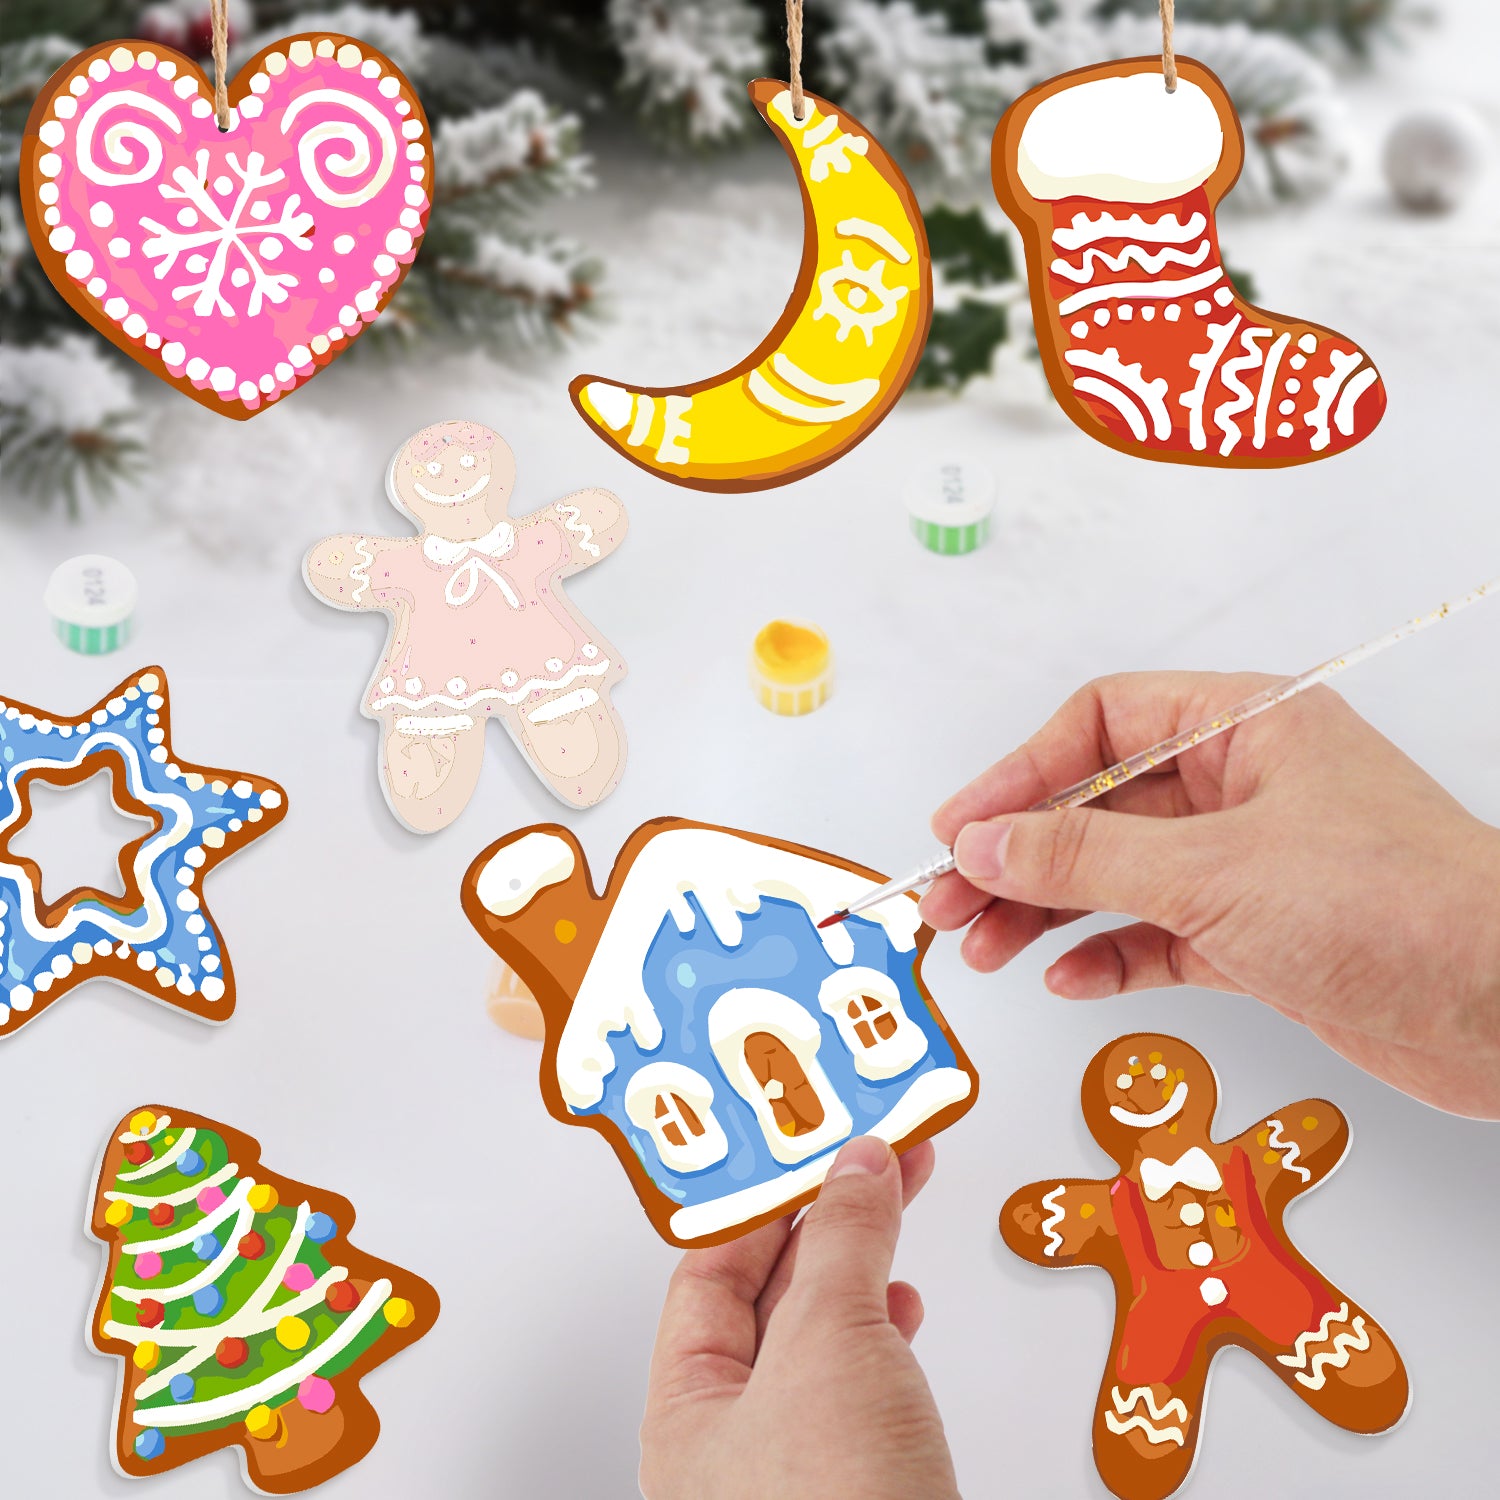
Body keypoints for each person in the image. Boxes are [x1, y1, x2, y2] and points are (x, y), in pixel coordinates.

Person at [639, 673, 1500, 1498]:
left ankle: (1324, 1354)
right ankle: (1152, 1410)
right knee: (1155, 1351)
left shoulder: (1227, 1164)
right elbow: (1065, 1219)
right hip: (1161, 1303)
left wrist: (1471, 971)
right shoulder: (1130, 1203)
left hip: (1269, 1277)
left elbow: (1290, 1142)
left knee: (1295, 1312)